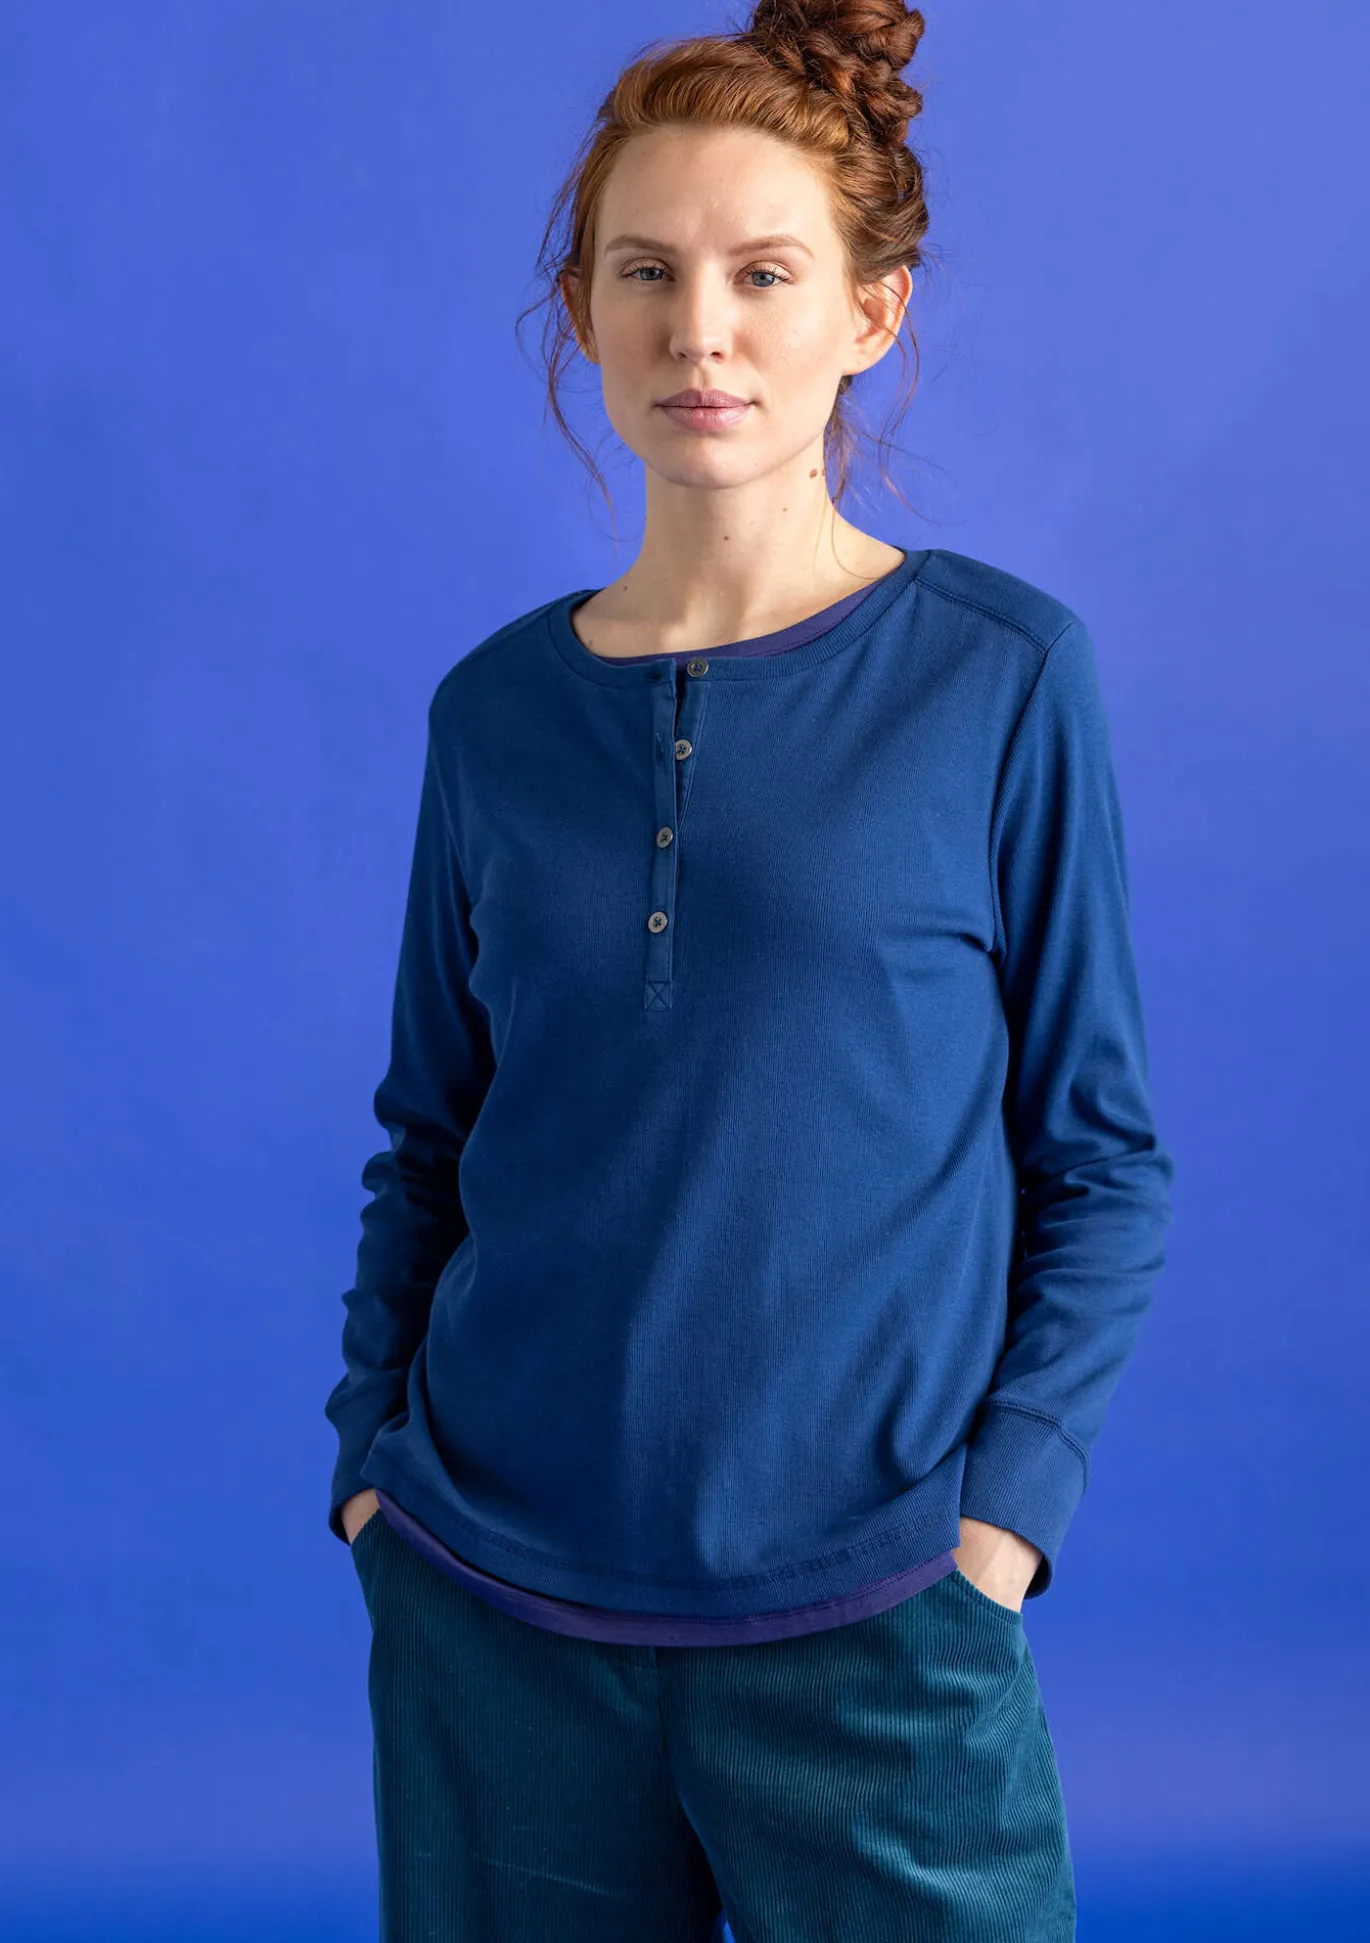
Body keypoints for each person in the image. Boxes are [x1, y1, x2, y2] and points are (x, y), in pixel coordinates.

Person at [325, 3, 1174, 1938]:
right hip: (491, 1613)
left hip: (878, 1610)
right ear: (581, 309)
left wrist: (999, 1524)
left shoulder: (999, 676)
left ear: (869, 311)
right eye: (645, 273)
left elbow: (1100, 1156)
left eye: (761, 274)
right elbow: (427, 1138)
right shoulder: (492, 713)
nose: (697, 330)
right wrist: (374, 1471)